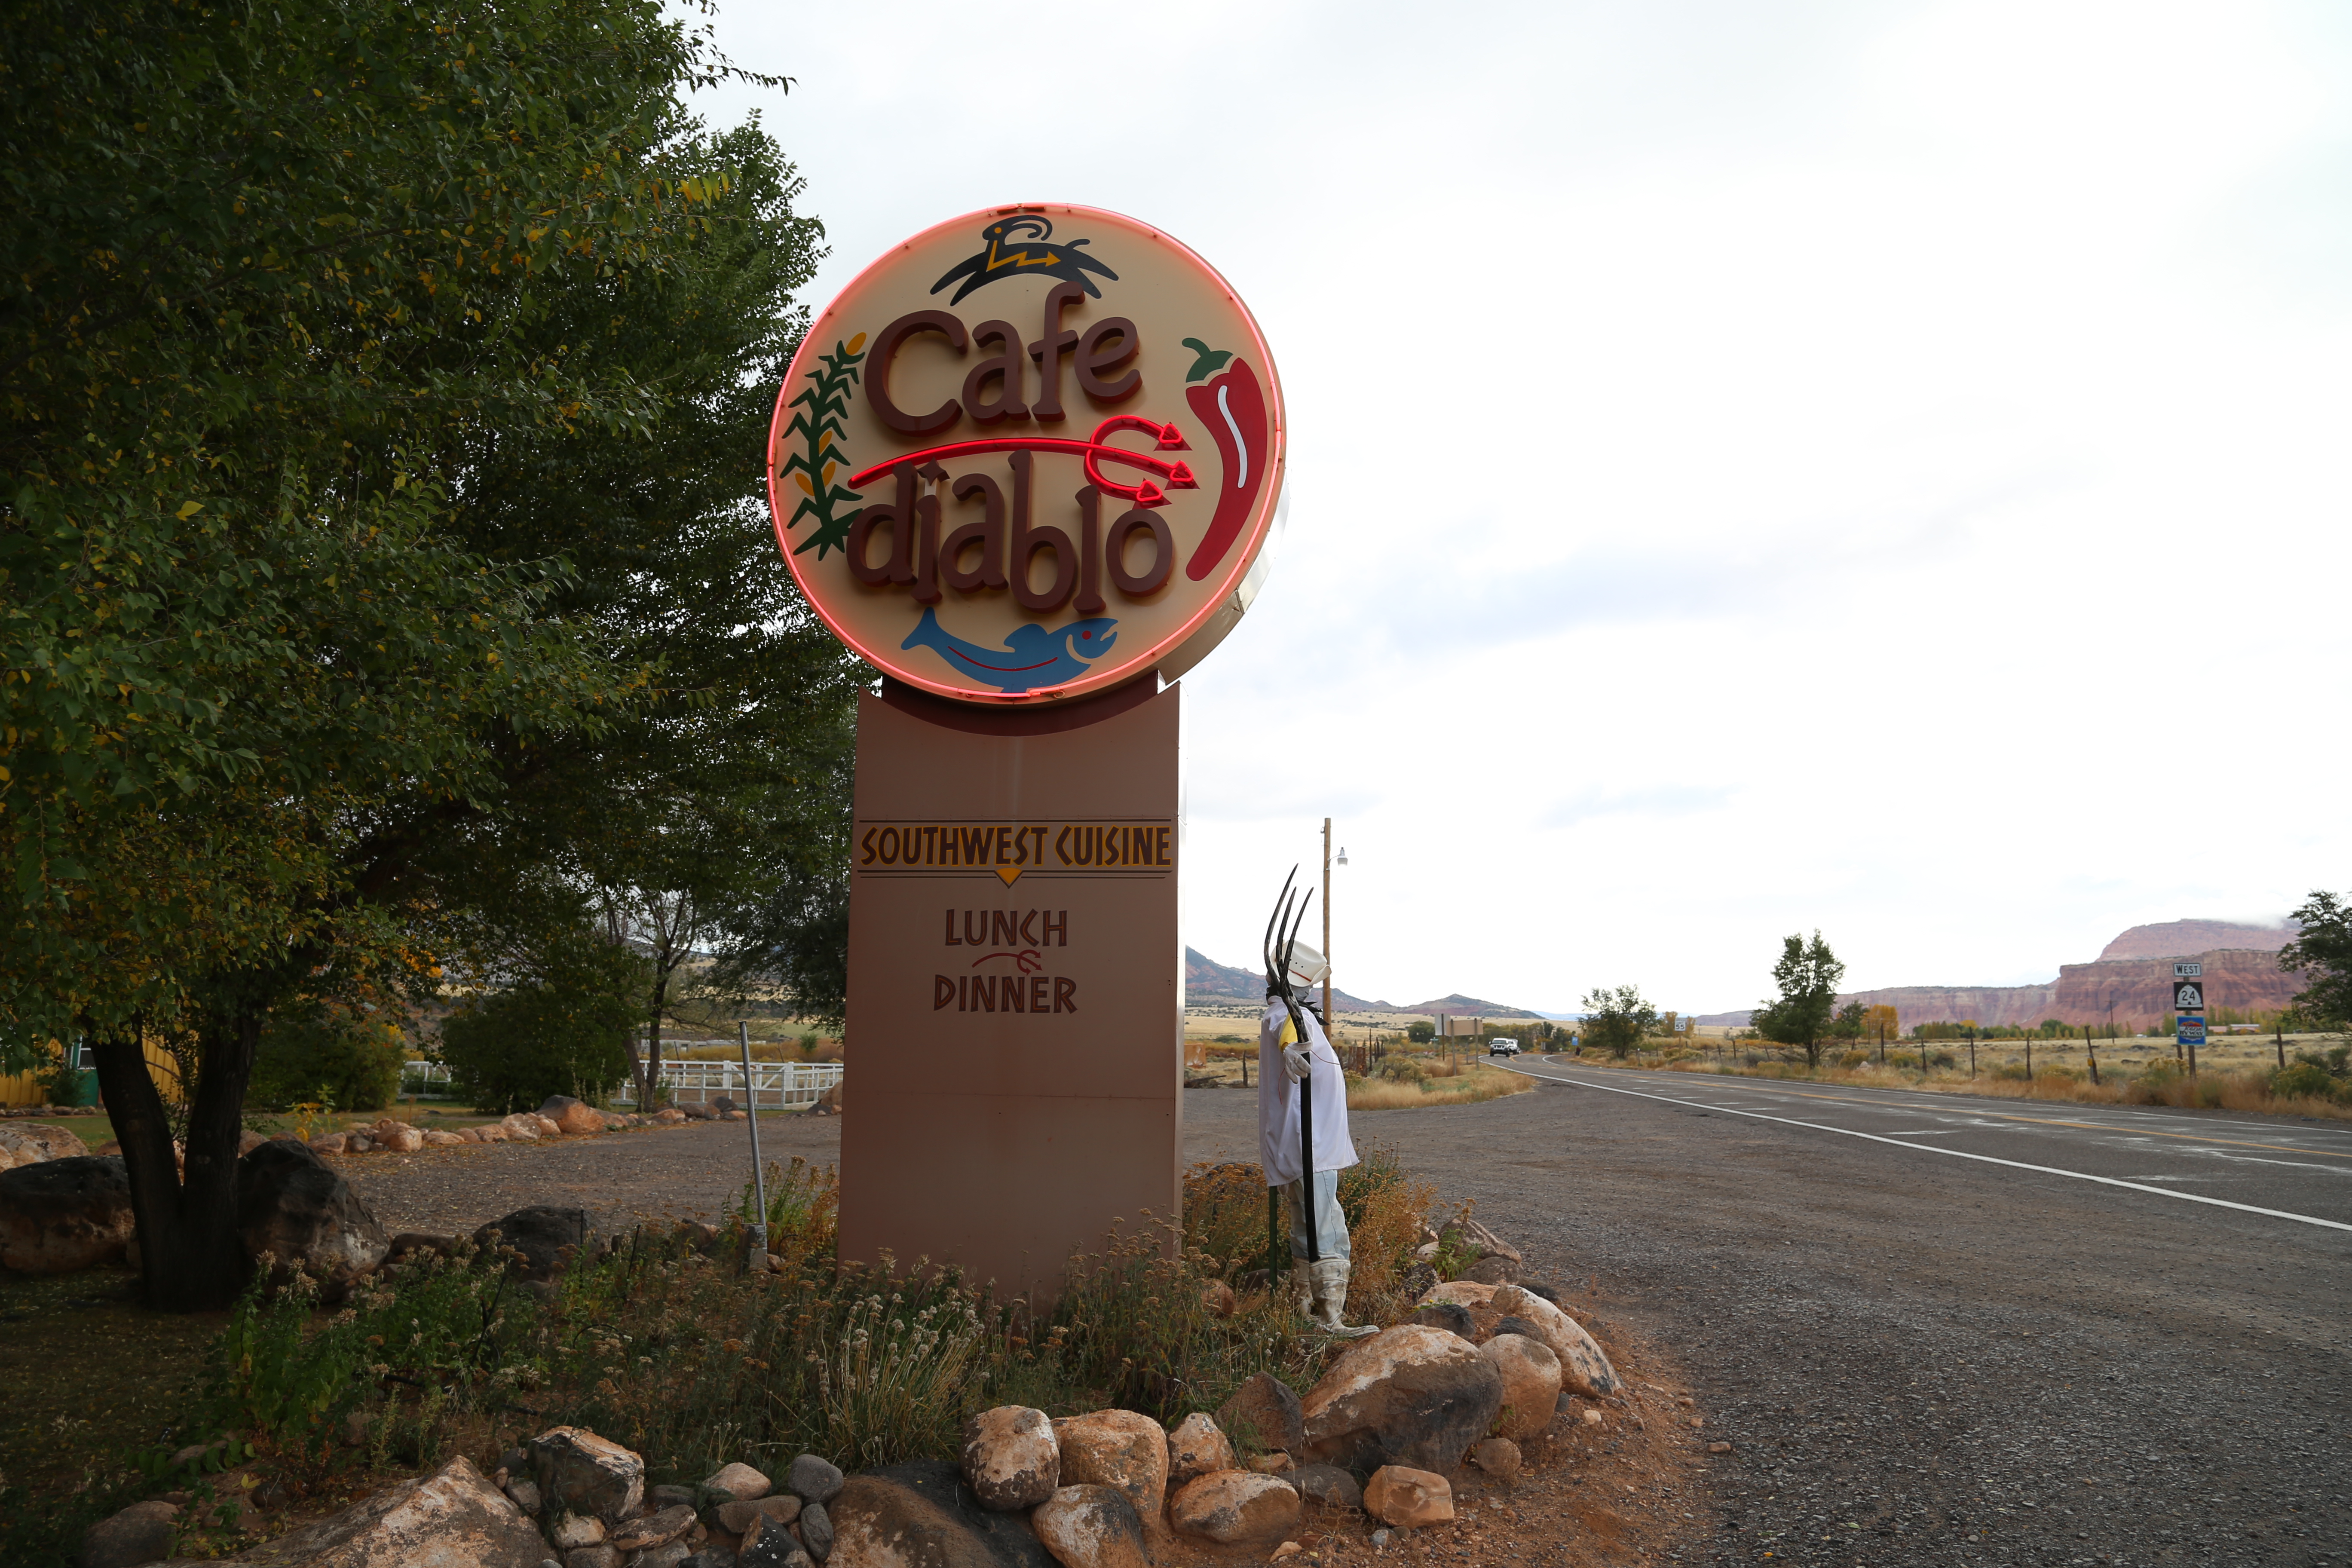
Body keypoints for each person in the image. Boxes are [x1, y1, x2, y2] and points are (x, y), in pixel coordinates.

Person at [1259, 940, 1376, 1338]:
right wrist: (1291, 1049)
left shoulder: (1288, 1013)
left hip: (1308, 1144)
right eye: (1307, 986)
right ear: (1296, 983)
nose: (1310, 993)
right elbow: (1289, 1033)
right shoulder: (1288, 1016)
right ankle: (1331, 1318)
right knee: (1325, 1227)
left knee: (1308, 1225)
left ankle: (1303, 1309)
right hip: (1311, 1147)